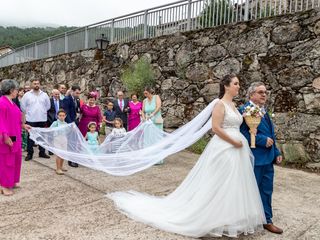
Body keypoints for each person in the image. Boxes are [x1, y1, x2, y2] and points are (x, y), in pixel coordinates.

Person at [108, 74, 266, 238]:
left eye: (238, 84)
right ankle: (212, 216)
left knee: (235, 182)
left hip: (237, 148)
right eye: (235, 83)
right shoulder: (219, 104)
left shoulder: (233, 105)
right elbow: (216, 128)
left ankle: (231, 217)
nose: (238, 86)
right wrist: (234, 142)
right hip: (226, 147)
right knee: (220, 182)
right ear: (226, 86)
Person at [239, 82, 283, 234]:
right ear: (251, 95)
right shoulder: (244, 110)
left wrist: (276, 152)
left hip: (268, 158)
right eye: (260, 92)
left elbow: (271, 134)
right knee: (250, 190)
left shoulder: (264, 110)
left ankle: (267, 220)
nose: (264, 94)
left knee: (266, 190)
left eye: (265, 92)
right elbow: (242, 133)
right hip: (254, 158)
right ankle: (246, 220)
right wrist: (261, 140)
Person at [0, 79, 31, 196]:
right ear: (11, 90)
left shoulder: (12, 103)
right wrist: (5, 136)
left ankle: (11, 180)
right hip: (6, 136)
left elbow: (15, 118)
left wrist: (23, 125)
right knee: (6, 160)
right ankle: (4, 185)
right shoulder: (2, 103)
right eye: (17, 89)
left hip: (16, 134)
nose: (18, 92)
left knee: (15, 159)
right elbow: (1, 121)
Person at [21, 79, 51, 161]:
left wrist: (41, 111)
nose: (36, 85)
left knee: (42, 136)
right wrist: (30, 113)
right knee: (31, 137)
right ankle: (30, 154)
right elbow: (23, 107)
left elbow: (48, 106)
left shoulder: (44, 95)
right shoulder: (27, 95)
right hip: (31, 119)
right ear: (31, 85)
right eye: (34, 83)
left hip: (42, 118)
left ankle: (42, 152)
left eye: (38, 83)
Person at [141, 87, 164, 164]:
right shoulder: (144, 101)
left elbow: (158, 106)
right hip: (148, 122)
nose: (145, 95)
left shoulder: (156, 97)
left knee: (156, 139)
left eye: (146, 93)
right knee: (148, 139)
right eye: (144, 93)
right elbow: (143, 111)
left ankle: (157, 159)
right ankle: (149, 157)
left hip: (156, 121)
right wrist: (144, 118)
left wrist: (152, 114)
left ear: (150, 92)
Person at [62, 85, 81, 167]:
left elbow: (76, 109)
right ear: (72, 91)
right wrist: (71, 124)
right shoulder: (67, 99)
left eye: (79, 93)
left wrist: (78, 115)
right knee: (70, 142)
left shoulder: (76, 99)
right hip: (70, 124)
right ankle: (70, 160)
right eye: (76, 93)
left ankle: (74, 158)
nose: (78, 94)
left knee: (75, 141)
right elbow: (66, 112)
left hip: (75, 122)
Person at [50, 109, 68, 175]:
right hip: (57, 139)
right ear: (57, 116)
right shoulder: (56, 123)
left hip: (64, 139)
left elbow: (67, 131)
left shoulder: (66, 123)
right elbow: (50, 129)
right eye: (60, 115)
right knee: (59, 154)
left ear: (65, 116)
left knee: (63, 154)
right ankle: (58, 168)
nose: (61, 117)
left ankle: (61, 166)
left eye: (63, 115)